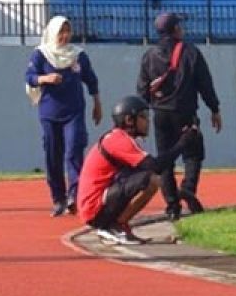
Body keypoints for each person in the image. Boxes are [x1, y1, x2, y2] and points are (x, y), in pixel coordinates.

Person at [76, 95, 199, 245]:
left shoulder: (119, 138)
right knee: (151, 180)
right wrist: (183, 143)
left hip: (97, 203)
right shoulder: (120, 140)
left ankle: (116, 224)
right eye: (143, 117)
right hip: (94, 207)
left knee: (146, 177)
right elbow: (155, 167)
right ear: (129, 120)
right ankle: (115, 226)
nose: (147, 121)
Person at [136, 12, 222, 220]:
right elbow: (205, 84)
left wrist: (143, 118)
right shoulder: (190, 52)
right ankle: (188, 188)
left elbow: (141, 90)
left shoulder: (149, 55)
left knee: (165, 159)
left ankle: (172, 205)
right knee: (193, 154)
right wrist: (214, 109)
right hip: (185, 113)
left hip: (160, 115)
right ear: (175, 29)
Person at [25, 16, 102, 216]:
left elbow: (91, 80)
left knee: (73, 151)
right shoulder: (41, 54)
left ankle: (74, 196)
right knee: (53, 156)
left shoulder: (78, 55)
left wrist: (97, 103)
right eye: (61, 32)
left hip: (74, 111)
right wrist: (46, 78)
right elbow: (30, 78)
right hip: (50, 113)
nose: (65, 36)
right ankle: (58, 198)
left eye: (68, 31)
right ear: (52, 33)